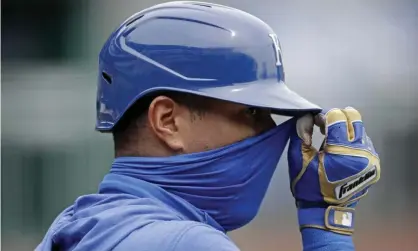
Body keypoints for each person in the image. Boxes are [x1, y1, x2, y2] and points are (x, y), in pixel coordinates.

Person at [36, 2, 381, 250]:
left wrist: (320, 215)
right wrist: (327, 232)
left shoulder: (75, 227)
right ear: (167, 121)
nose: (270, 132)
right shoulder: (189, 243)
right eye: (251, 112)